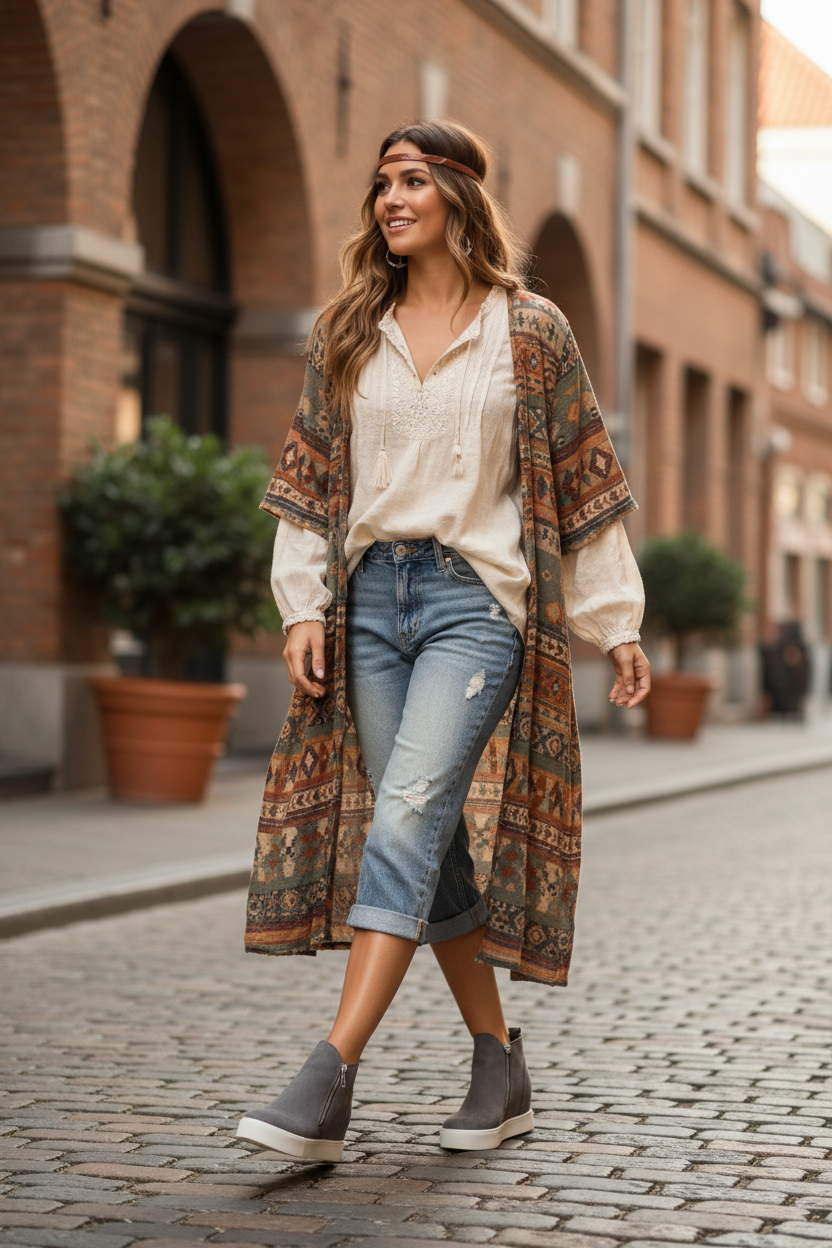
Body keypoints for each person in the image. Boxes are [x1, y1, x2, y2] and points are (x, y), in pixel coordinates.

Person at [237, 121, 651, 1164]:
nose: (390, 199)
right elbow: (306, 482)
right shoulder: (350, 326)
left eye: (413, 181)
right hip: (370, 602)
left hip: (476, 604)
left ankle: (330, 1075)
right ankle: (496, 1060)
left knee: (409, 815)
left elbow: (584, 485)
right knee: (429, 840)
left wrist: (616, 624)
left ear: (461, 196)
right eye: (381, 183)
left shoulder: (531, 330)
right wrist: (299, 605)